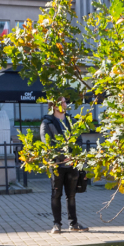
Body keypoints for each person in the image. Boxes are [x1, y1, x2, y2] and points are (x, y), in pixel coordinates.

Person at [41, 97, 88, 234]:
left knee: (71, 195)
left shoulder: (71, 121)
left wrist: (73, 156)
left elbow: (78, 140)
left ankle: (73, 224)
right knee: (56, 194)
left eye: (65, 101)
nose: (65, 104)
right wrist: (63, 157)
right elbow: (47, 143)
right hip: (57, 164)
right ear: (54, 105)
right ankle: (57, 225)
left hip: (72, 164)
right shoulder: (47, 122)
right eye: (62, 102)